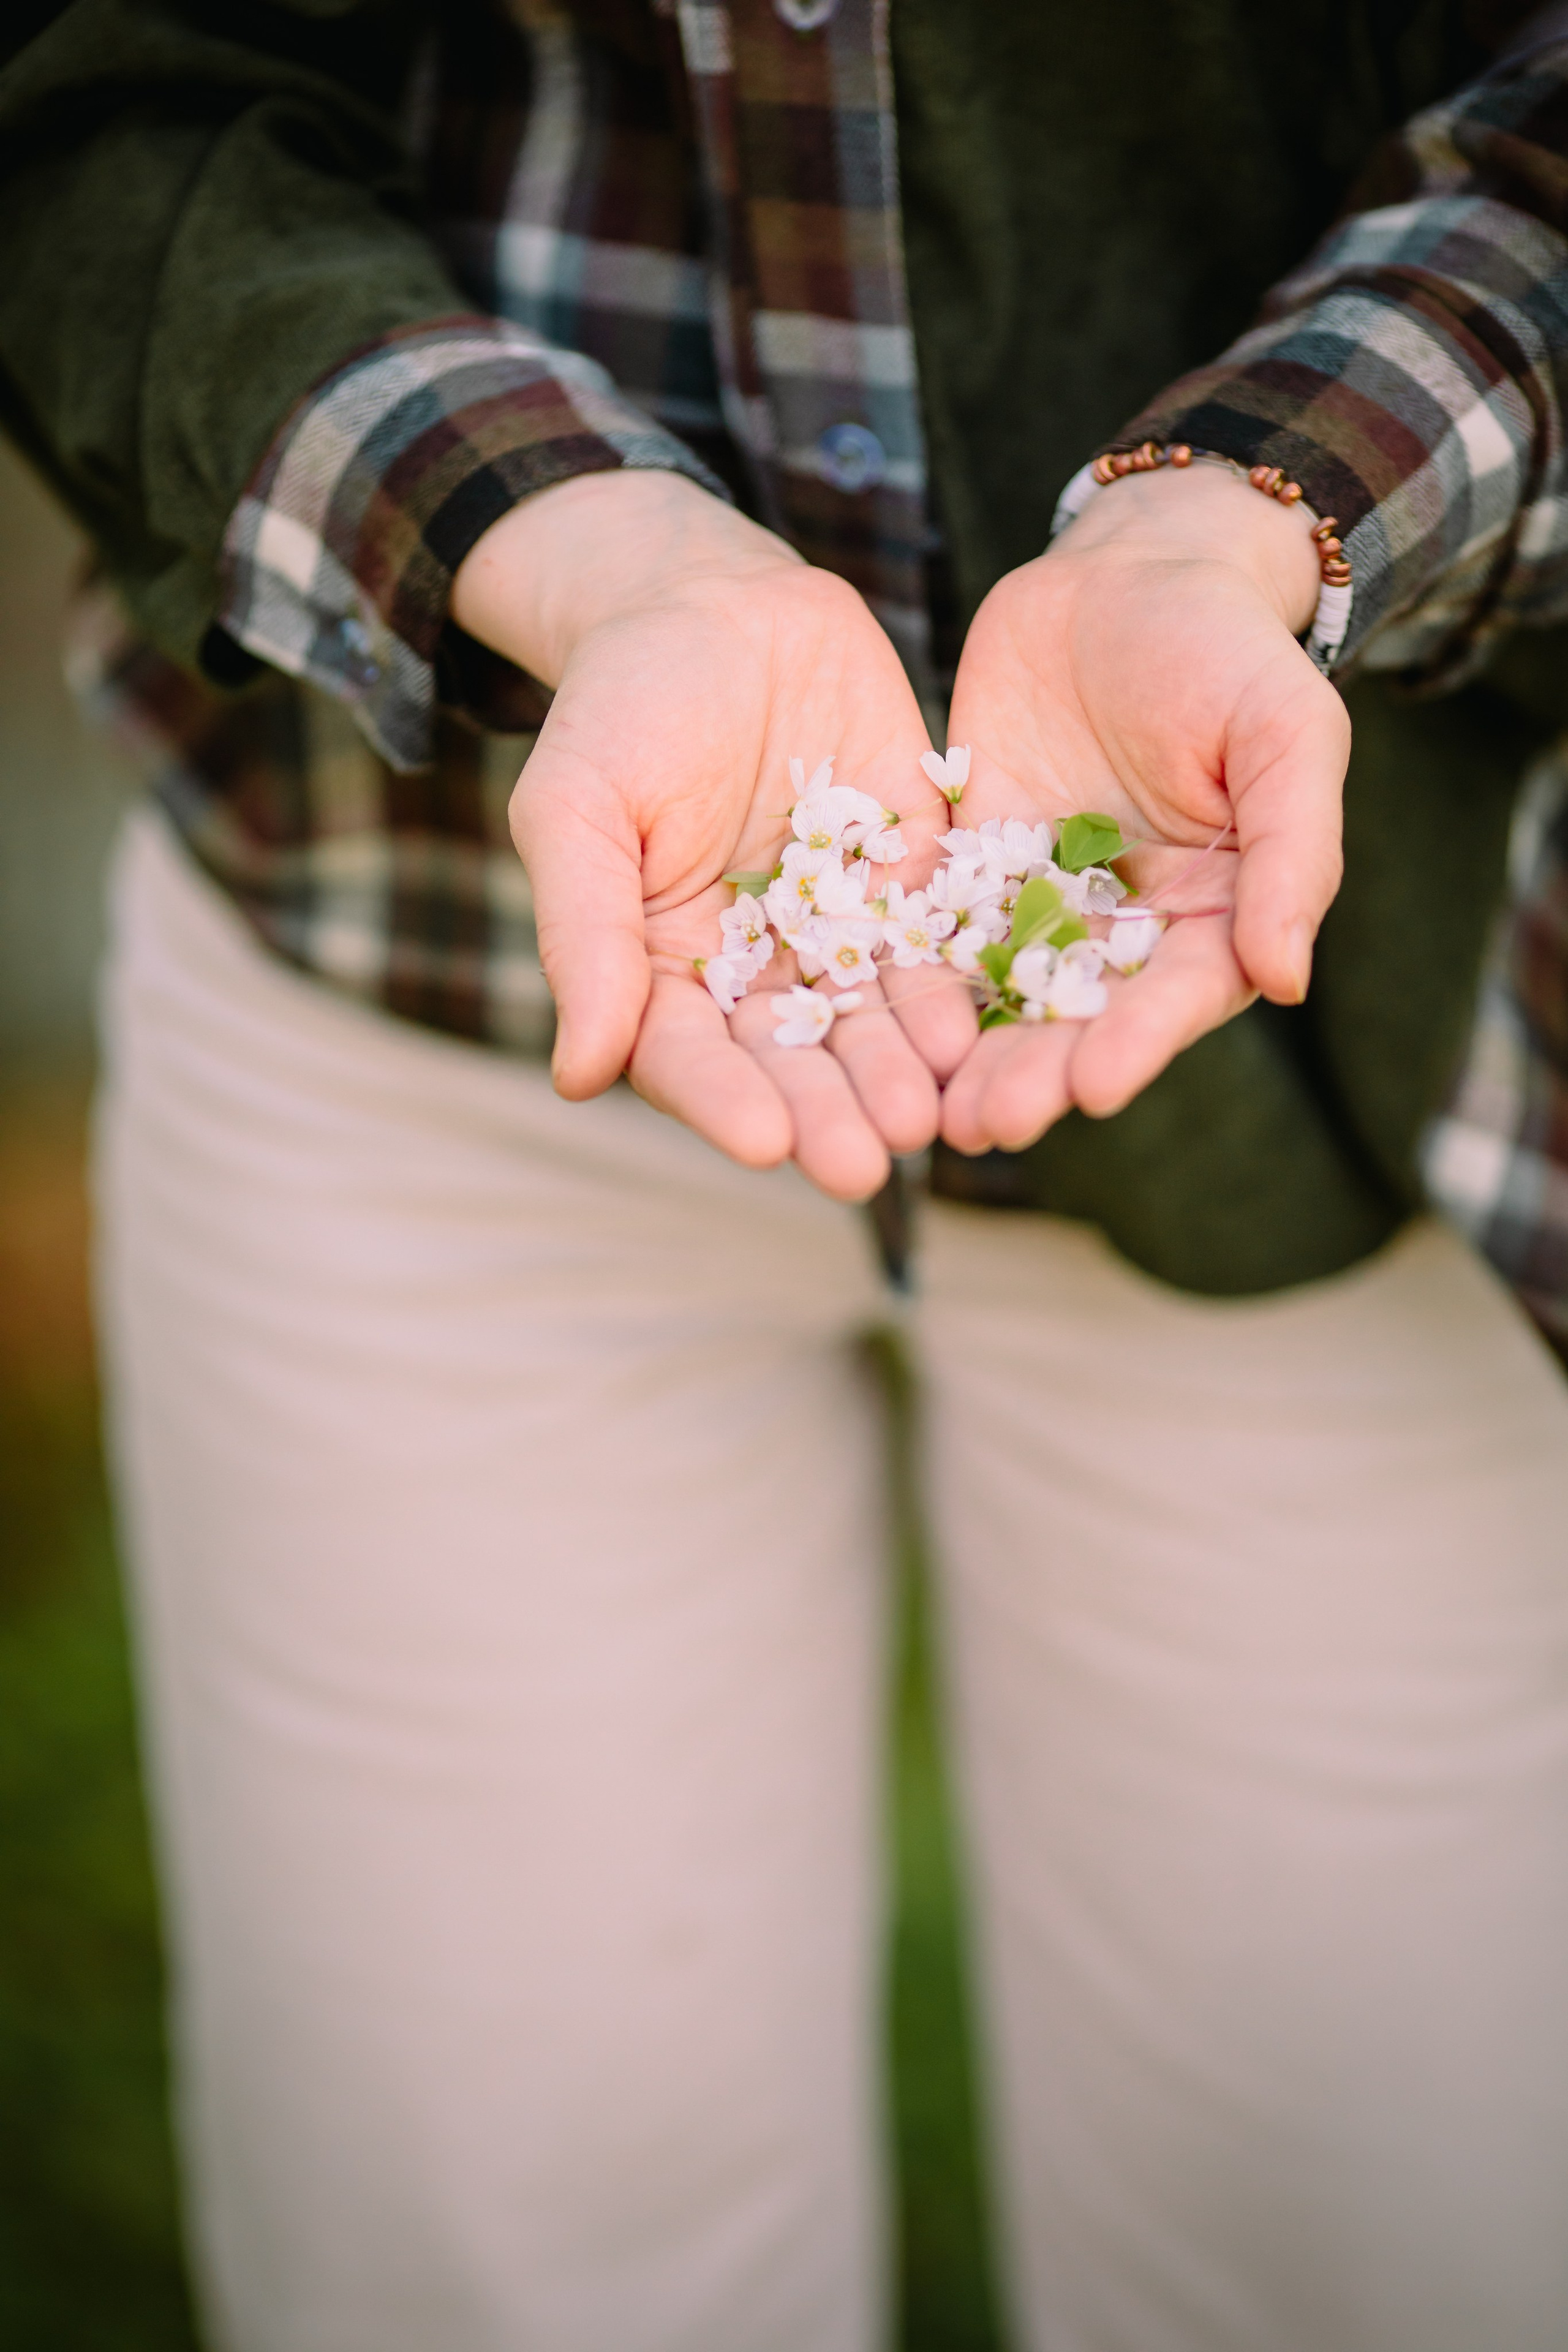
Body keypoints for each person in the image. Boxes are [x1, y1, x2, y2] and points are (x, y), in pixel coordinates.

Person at [6, 2, 1568, 2345]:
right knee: (481, 2238)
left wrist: (1259, 513)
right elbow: (87, 88)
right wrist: (566, 547)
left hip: (1344, 1018)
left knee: (1355, 2238)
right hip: (412, 924)